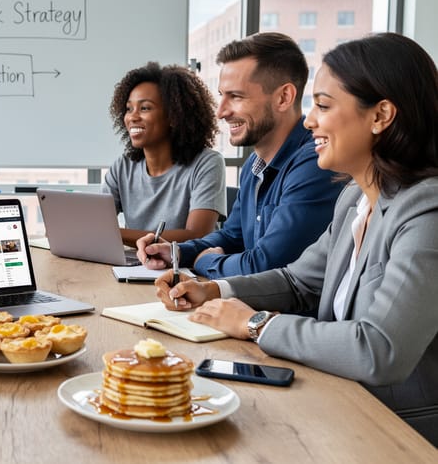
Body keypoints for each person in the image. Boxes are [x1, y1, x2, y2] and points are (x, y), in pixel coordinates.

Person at [156, 33, 438, 445]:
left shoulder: (426, 213)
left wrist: (254, 323)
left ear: (381, 116)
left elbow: (379, 349)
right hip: (337, 404)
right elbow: (297, 281)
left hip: (397, 433)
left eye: (323, 106)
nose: (309, 121)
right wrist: (212, 288)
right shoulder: (355, 198)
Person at [139, 32, 344, 279]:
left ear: (283, 97)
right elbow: (232, 236)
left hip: (281, 315)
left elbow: (265, 266)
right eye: (221, 95)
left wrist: (207, 262)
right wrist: (176, 253)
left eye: (235, 96)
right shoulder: (254, 165)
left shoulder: (315, 163)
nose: (221, 112)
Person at [103, 62, 225, 247]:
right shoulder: (123, 166)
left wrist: (112, 233)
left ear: (173, 116)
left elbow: (197, 235)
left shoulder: (207, 163)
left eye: (145, 108)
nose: (132, 117)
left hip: (188, 271)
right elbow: (97, 224)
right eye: (129, 109)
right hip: (135, 268)